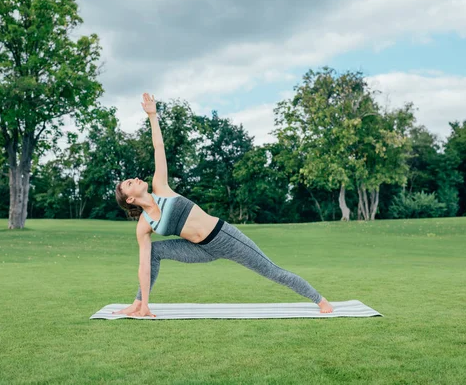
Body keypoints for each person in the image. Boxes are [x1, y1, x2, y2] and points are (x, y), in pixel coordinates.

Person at [113, 93, 334, 317]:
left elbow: (158, 148)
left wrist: (152, 116)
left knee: (271, 271)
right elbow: (143, 266)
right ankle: (139, 305)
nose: (135, 179)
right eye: (129, 183)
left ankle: (319, 299)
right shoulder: (144, 224)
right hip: (197, 249)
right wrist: (146, 303)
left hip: (224, 237)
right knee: (153, 253)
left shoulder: (160, 187)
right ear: (129, 199)